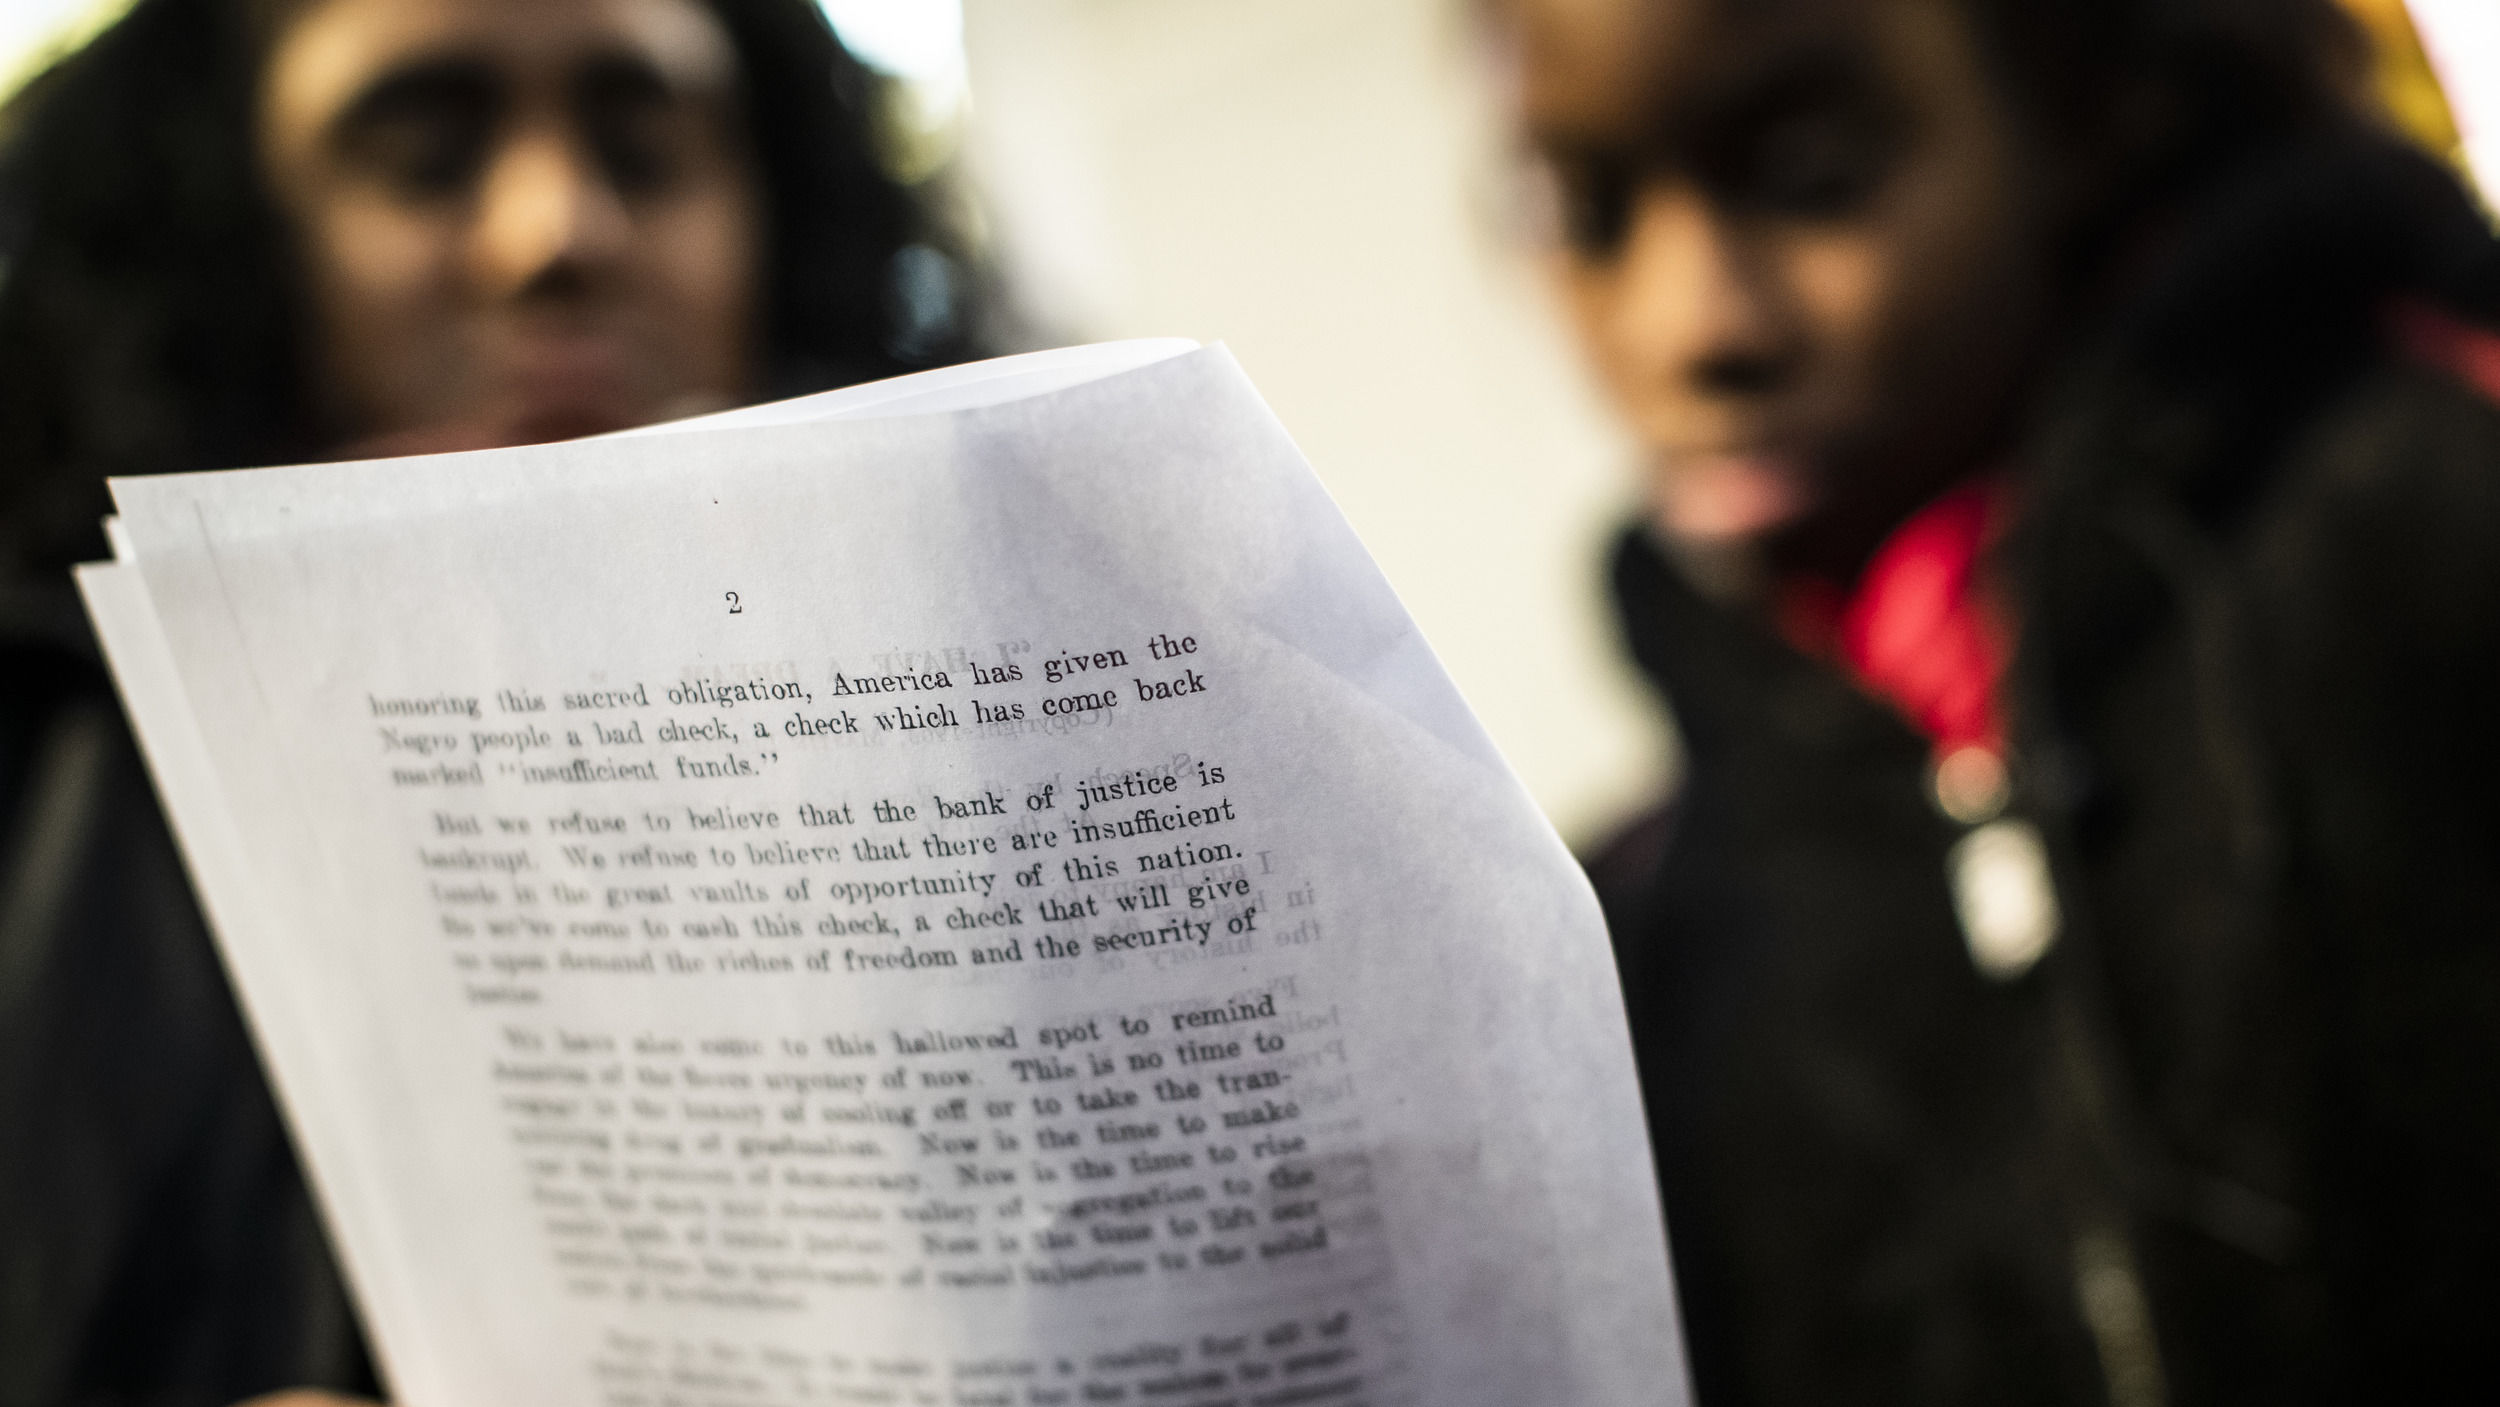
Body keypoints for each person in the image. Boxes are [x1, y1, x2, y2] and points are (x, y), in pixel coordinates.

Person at [1494, 0, 2500, 1401]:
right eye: (1587, 211)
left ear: (2081, 109)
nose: (1690, 324)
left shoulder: (2441, 533)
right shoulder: (1632, 935)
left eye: (1811, 173)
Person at [0, 2, 979, 1403]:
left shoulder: (982, 736)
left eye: (645, 154)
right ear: (233, 233)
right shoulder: (39, 762)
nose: (556, 233)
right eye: (427, 160)